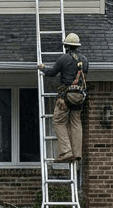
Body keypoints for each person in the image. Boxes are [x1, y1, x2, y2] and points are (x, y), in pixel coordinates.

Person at [38, 33, 89, 162]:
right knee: (76, 123)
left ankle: (66, 151)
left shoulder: (64, 59)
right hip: (80, 96)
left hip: (66, 96)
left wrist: (43, 68)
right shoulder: (85, 60)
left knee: (58, 121)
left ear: (66, 45)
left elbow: (52, 73)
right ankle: (77, 153)